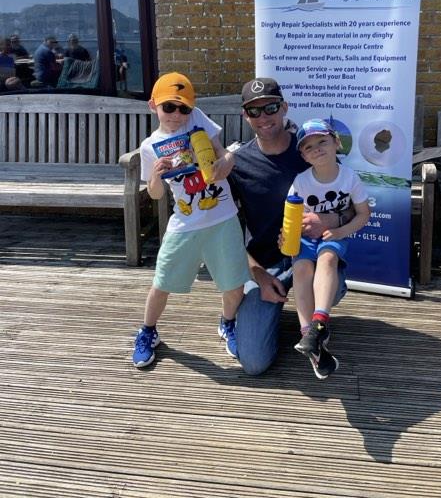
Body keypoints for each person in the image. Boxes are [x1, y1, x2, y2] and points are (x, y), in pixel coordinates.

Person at [228, 78, 356, 377]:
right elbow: (224, 229)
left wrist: (330, 220)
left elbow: (352, 209)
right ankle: (254, 318)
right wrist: (257, 274)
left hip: (310, 258)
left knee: (329, 278)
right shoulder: (238, 162)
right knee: (254, 364)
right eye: (254, 111)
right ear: (245, 116)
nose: (264, 117)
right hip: (266, 266)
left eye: (271, 107)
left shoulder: (311, 148)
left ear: (284, 107)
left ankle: (314, 327)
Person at [132, 71, 251, 369]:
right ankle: (147, 331)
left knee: (233, 282)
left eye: (183, 107)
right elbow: (156, 194)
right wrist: (157, 175)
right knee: (162, 282)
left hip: (222, 215)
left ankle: (228, 323)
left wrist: (227, 160)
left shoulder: (198, 119)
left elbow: (222, 153)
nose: (177, 114)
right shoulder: (150, 146)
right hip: (184, 223)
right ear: (153, 105)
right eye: (169, 106)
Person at [286, 118, 370, 378]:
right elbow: (289, 216)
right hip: (306, 237)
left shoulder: (349, 177)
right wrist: (287, 239)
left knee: (328, 257)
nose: (317, 149)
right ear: (302, 155)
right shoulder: (300, 181)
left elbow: (363, 214)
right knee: (300, 269)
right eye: (308, 147)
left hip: (333, 235)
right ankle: (308, 337)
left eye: (322, 141)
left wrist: (341, 231)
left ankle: (319, 323)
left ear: (336, 142)